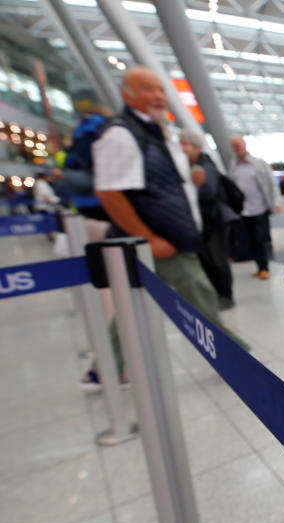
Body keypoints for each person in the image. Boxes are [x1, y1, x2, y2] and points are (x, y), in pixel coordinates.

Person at [80, 66, 247, 390]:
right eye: (147, 89)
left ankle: (104, 371)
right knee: (200, 296)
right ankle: (236, 357)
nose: (157, 95)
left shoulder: (157, 132)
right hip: (161, 241)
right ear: (127, 94)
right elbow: (110, 193)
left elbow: (159, 184)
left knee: (131, 307)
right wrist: (149, 238)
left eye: (160, 89)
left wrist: (191, 178)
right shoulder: (121, 133)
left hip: (168, 238)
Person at [179, 130, 239, 310]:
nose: (181, 148)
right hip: (200, 223)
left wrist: (189, 190)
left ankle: (226, 295)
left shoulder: (205, 166)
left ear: (196, 146)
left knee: (217, 259)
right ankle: (215, 294)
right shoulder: (187, 167)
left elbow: (208, 192)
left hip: (213, 222)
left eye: (185, 144)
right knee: (206, 260)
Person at [229, 135, 281, 280]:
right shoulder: (234, 165)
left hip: (260, 208)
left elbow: (272, 183)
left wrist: (276, 202)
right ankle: (259, 266)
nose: (236, 147)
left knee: (261, 239)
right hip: (243, 211)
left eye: (238, 144)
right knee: (250, 240)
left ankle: (264, 267)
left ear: (244, 144)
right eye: (233, 145)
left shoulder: (258, 164)